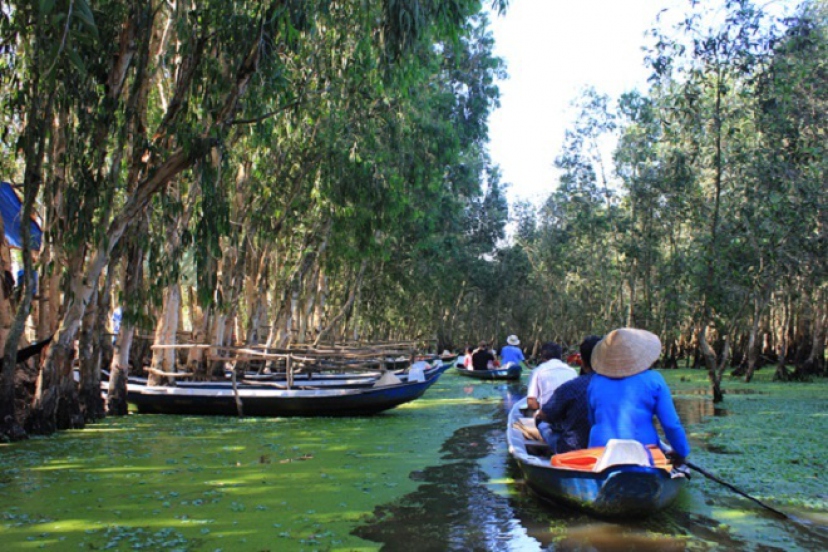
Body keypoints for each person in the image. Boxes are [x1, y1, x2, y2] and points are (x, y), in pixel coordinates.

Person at [587, 328, 691, 464]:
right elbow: (671, 425)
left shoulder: (595, 382)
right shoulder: (654, 380)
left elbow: (592, 420)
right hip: (643, 451)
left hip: (599, 451)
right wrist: (681, 452)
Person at [536, 335, 602, 454]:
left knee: (541, 422)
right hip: (606, 449)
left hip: (572, 450)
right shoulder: (621, 385)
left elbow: (544, 415)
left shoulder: (571, 386)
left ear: (583, 361)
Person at [527, 342, 578, 449]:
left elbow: (531, 403)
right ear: (560, 356)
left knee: (540, 418)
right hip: (571, 420)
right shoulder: (572, 371)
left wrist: (540, 408)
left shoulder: (538, 371)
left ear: (542, 356)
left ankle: (557, 445)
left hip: (551, 419)